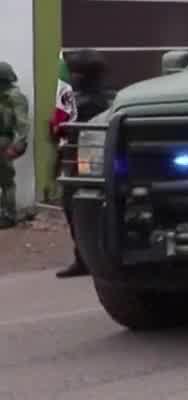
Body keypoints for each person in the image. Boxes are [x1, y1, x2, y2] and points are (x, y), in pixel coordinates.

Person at [54, 50, 117, 278]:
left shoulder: (90, 102)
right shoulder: (108, 98)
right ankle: (84, 258)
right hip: (82, 160)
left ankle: (91, 258)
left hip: (89, 162)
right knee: (75, 209)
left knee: (83, 209)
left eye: (74, 73)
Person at [0, 61, 28, 230]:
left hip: (3, 141)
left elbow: (23, 123)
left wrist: (19, 144)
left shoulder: (14, 96)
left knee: (6, 181)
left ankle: (9, 216)